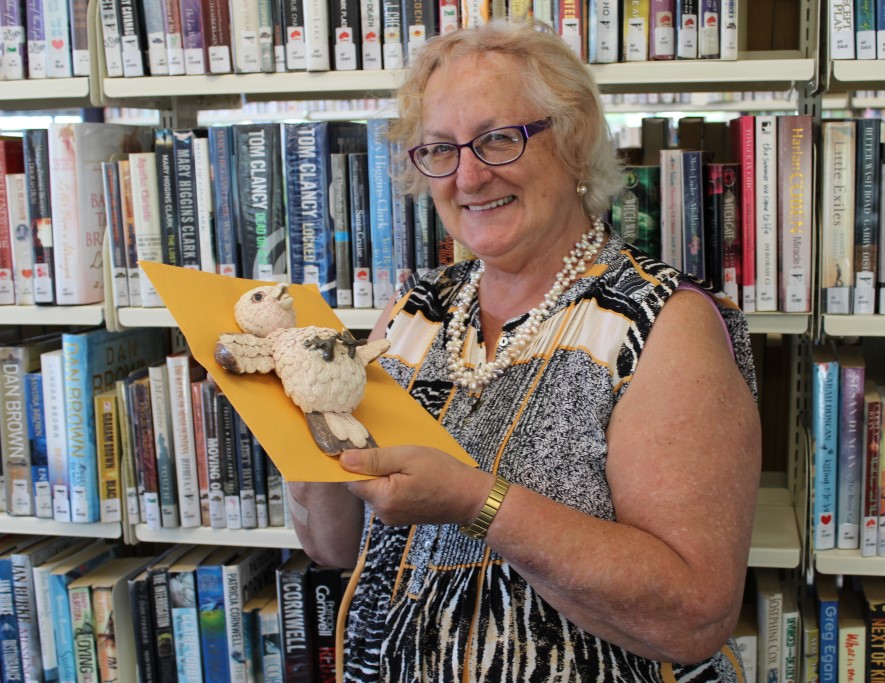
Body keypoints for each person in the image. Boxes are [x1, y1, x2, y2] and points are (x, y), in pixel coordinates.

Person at [289, 20, 761, 683]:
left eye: (498, 139)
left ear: (570, 142)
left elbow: (693, 615)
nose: (470, 176)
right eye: (440, 150)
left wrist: (475, 502)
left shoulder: (661, 324)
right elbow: (335, 545)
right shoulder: (416, 312)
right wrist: (298, 420)